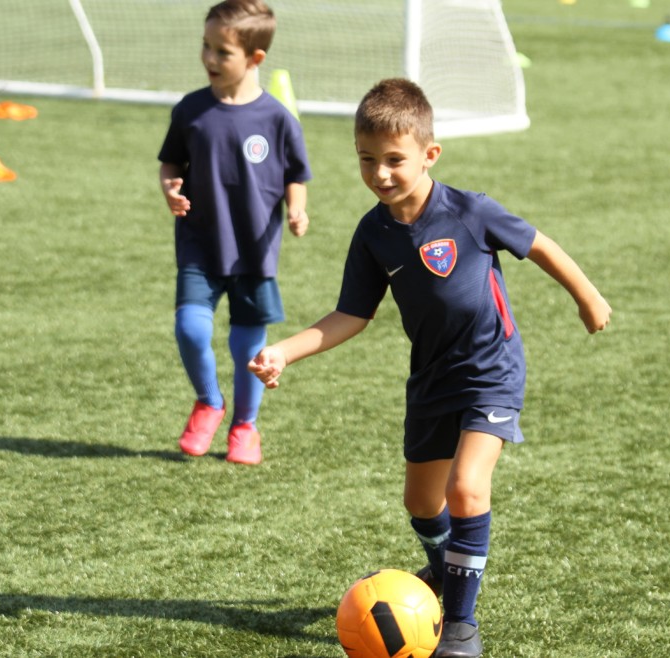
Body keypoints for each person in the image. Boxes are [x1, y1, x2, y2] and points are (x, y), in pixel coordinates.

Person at [249, 79, 611, 658]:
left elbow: (539, 244)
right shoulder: (373, 233)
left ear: (429, 154)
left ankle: (461, 625)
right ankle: (446, 569)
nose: (381, 173)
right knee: (421, 502)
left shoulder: (469, 210)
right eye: (367, 160)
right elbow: (350, 314)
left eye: (395, 160)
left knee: (466, 488)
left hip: (492, 368)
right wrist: (284, 350)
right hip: (432, 378)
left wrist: (586, 296)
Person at [157, 0, 311, 465]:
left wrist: (298, 210)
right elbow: (171, 161)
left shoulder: (277, 119)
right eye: (206, 46)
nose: (208, 58)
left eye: (222, 52)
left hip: (254, 252)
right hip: (200, 245)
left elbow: (296, 175)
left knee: (249, 347)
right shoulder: (191, 110)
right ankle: (209, 401)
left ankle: (244, 426)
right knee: (189, 328)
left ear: (254, 59)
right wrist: (170, 189)